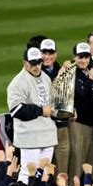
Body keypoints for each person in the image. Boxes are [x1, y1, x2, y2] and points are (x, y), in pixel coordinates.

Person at [7, 47, 57, 184]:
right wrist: (41, 111)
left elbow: (51, 104)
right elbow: (16, 110)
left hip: (47, 136)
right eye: (33, 63)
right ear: (25, 63)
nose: (36, 66)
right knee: (28, 172)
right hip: (30, 138)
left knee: (46, 173)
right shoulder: (18, 83)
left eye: (39, 63)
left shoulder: (45, 77)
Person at [68, 42, 93, 182]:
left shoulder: (92, 70)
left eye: (86, 57)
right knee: (77, 163)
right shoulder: (72, 72)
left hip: (92, 123)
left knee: (92, 163)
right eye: (80, 57)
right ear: (74, 57)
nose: (84, 60)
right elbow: (80, 93)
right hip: (78, 125)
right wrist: (91, 80)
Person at [40, 38, 70, 174]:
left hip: (61, 126)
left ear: (55, 54)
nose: (47, 57)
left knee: (62, 166)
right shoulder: (35, 73)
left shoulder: (62, 69)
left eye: (50, 53)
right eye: (44, 53)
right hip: (44, 128)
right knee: (46, 166)